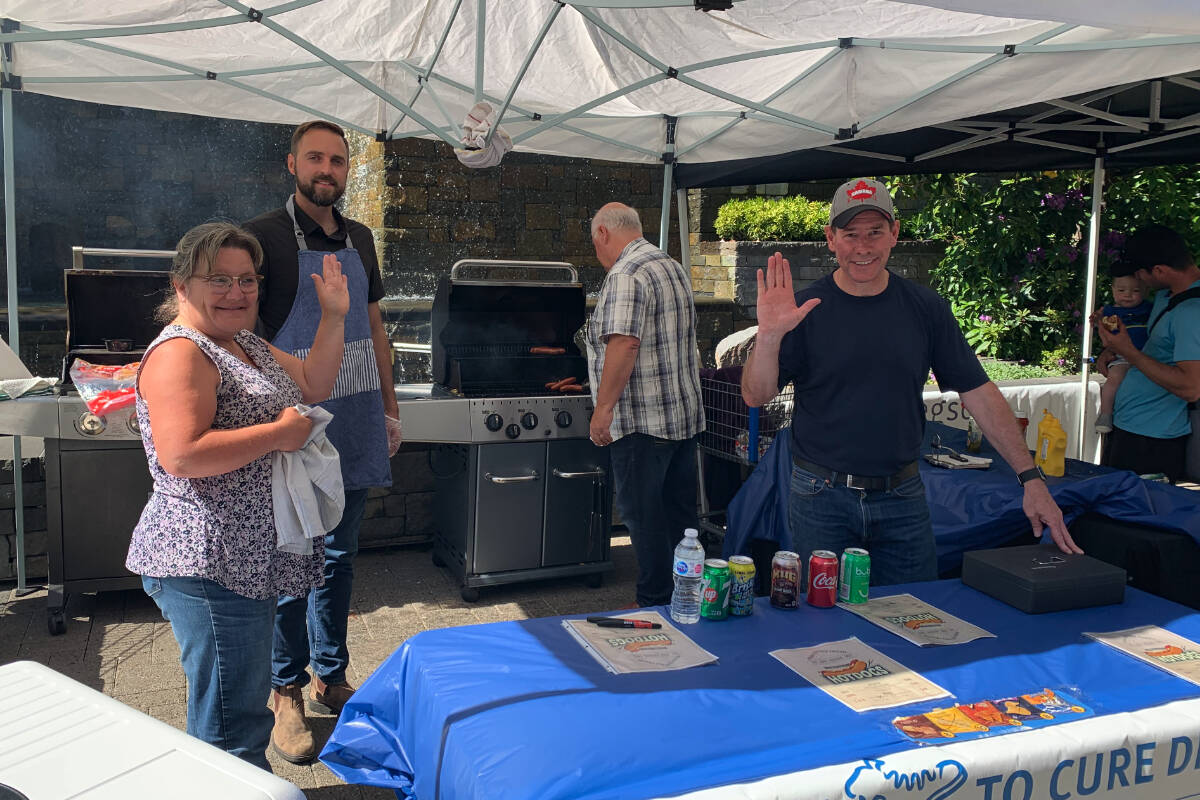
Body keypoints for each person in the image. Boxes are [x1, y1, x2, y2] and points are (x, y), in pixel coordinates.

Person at [741, 178, 1078, 586]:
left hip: (902, 496)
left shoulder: (925, 308)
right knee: (824, 628)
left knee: (916, 615)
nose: (863, 248)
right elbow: (755, 394)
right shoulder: (805, 309)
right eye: (850, 235)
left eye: (875, 233)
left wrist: (1030, 478)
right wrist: (770, 335)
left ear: (895, 234)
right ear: (831, 239)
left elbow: (979, 392)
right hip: (820, 495)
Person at [126, 222, 348, 769]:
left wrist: (336, 316)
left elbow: (315, 384)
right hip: (208, 562)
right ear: (181, 286)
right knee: (233, 726)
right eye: (219, 279)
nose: (237, 292)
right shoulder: (183, 352)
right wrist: (278, 433)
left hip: (241, 557)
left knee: (237, 709)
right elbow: (183, 455)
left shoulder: (242, 342)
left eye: (247, 280)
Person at [243, 120, 402, 764]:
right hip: (296, 422)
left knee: (340, 557)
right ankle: (284, 690)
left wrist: (390, 408)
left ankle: (329, 674)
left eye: (337, 160)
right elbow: (245, 338)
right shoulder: (262, 238)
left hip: (357, 414)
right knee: (292, 558)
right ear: (292, 164)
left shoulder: (360, 237)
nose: (327, 170)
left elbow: (373, 325)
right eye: (316, 158)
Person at [586, 202, 704, 608]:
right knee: (678, 517)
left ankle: (653, 599)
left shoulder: (626, 272)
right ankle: (686, 595)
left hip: (641, 421)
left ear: (603, 233)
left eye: (594, 244)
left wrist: (603, 412)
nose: (597, 254)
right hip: (682, 417)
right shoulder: (670, 265)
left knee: (643, 516)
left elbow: (625, 343)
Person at [1092, 224, 1200, 483]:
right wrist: (1113, 349)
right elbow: (1154, 346)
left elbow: (1191, 387)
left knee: (1136, 517)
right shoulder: (1166, 295)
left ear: (1160, 270)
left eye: (1141, 275)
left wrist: (1127, 351)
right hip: (1130, 424)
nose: (1138, 281)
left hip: (1154, 437)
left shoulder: (1192, 312)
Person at [1095, 262, 1153, 434]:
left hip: (1147, 356)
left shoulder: (1150, 308)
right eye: (1121, 291)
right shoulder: (1109, 311)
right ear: (1113, 290)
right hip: (1121, 357)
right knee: (1113, 380)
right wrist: (1097, 319)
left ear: (1145, 291)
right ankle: (1105, 413)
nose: (1128, 295)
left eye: (1135, 291)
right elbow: (1104, 332)